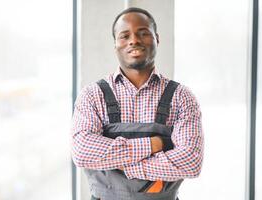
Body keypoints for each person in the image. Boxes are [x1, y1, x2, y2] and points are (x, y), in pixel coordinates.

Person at [71, 7, 203, 200]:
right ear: (115, 45)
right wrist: (153, 145)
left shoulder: (182, 97)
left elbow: (190, 162)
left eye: (143, 33)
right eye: (124, 35)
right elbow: (83, 152)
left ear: (157, 39)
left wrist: (125, 165)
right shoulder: (92, 95)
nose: (134, 40)